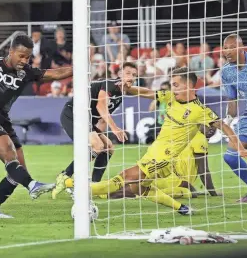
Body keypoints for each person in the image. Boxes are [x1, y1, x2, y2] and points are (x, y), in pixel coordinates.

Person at [58, 68, 247, 214]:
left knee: (124, 178)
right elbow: (147, 92)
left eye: (176, 85)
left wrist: (239, 147)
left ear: (190, 86)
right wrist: (128, 87)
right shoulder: (172, 98)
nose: (173, 89)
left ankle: (70, 185)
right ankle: (181, 208)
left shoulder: (200, 110)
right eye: (172, 85)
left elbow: (224, 126)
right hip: (153, 153)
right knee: (141, 189)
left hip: (163, 158)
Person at [0, 32, 73, 218]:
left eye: (28, 57)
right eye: (21, 55)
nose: (24, 60)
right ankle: (33, 185)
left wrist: (80, 68)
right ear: (11, 51)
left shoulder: (26, 73)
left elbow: (55, 74)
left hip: (3, 121)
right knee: (10, 154)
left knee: (17, 173)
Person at [51, 62, 138, 199]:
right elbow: (100, 106)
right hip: (73, 114)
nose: (131, 77)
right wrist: (115, 129)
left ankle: (94, 186)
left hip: (87, 119)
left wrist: (100, 135)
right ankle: (64, 176)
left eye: (134, 75)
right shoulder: (111, 84)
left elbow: (102, 119)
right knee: (97, 146)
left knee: (108, 147)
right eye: (128, 73)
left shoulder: (119, 96)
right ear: (120, 74)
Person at [102, 127, 219, 200]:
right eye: (208, 124)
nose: (212, 128)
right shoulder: (200, 139)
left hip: (167, 173)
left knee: (135, 184)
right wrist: (213, 193)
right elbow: (203, 170)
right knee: (188, 193)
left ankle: (101, 191)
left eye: (215, 125)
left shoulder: (187, 133)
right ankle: (106, 193)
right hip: (175, 179)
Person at [221, 34, 247, 203]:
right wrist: (228, 120)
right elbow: (232, 100)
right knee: (230, 156)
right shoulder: (226, 71)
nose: (227, 51)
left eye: (231, 47)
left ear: (241, 47)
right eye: (225, 48)